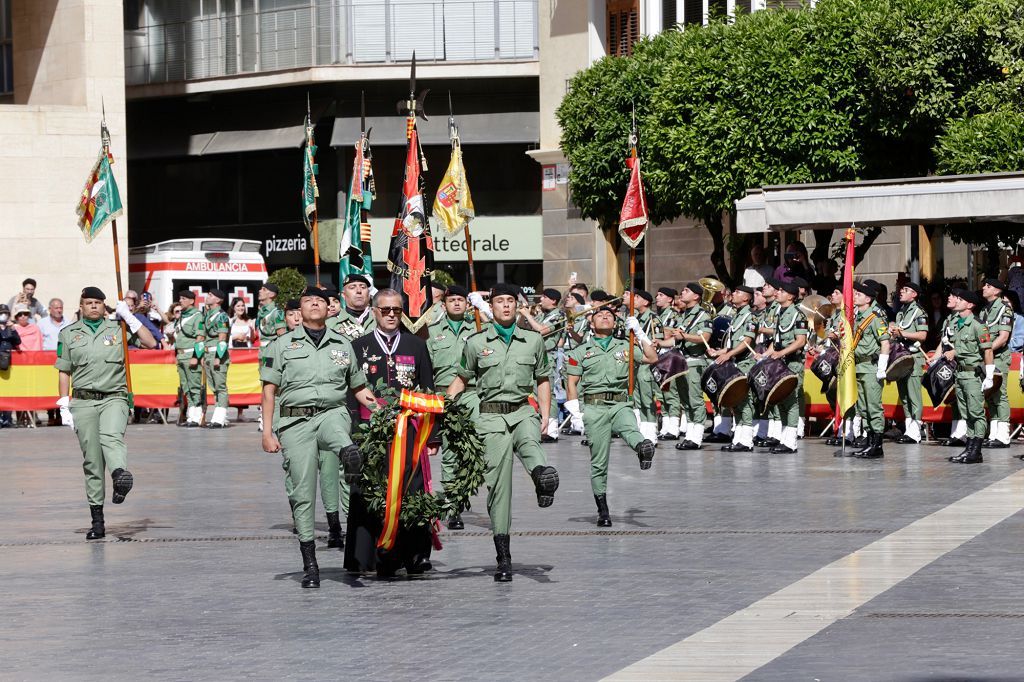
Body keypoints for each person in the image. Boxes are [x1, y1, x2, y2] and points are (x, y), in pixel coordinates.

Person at [260, 287, 377, 588]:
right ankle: (310, 563)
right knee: (302, 490)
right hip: (295, 421)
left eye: (321, 301)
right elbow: (269, 390)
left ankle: (350, 455)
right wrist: (267, 432)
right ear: (299, 311)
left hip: (331, 411)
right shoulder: (281, 345)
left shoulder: (342, 344)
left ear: (329, 309)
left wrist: (384, 411)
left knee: (341, 434)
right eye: (308, 301)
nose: (315, 303)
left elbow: (359, 388)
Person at [446, 282, 559, 582]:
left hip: (522, 410)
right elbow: (461, 379)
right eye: (500, 301)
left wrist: (546, 414)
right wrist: (443, 409)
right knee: (498, 487)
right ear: (491, 307)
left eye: (511, 301)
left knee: (532, 444)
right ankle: (503, 555)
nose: (506, 306)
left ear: (517, 306)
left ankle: (541, 478)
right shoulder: (475, 342)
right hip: (490, 417)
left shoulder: (533, 341)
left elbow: (543, 378)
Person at [345, 289, 439, 578]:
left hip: (409, 429)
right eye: (384, 309)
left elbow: (428, 388)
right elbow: (350, 391)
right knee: (370, 490)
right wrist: (352, 433)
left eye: (396, 310)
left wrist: (433, 436)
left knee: (412, 489)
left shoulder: (416, 344)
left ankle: (415, 555)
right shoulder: (358, 346)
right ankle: (367, 556)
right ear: (374, 311)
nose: (390, 314)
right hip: (369, 431)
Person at [55, 287, 157, 540]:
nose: (93, 306)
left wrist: (130, 317)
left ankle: (120, 475)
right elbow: (64, 370)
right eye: (88, 303)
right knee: (92, 461)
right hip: (84, 402)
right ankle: (97, 520)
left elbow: (151, 342)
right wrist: (64, 403)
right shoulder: (68, 334)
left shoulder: (118, 329)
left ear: (104, 306)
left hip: (114, 397)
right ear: (81, 306)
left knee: (111, 437)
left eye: (98, 302)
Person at [564, 305, 657, 526]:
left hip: (620, 403)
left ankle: (643, 449)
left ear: (616, 324)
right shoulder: (580, 351)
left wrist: (640, 332)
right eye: (600, 315)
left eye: (610, 316)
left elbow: (651, 358)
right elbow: (571, 382)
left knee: (630, 429)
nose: (605, 317)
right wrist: (575, 412)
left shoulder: (626, 345)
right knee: (599, 462)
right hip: (594, 407)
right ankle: (602, 509)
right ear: (591, 323)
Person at [425, 285, 479, 530]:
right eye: (452, 300)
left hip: (473, 393)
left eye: (461, 300)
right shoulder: (433, 332)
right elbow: (426, 368)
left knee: (477, 449)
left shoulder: (479, 328)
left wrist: (485, 309)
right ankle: (453, 506)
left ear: (467, 304)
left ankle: (466, 495)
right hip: (444, 394)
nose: (457, 304)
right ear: (443, 304)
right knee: (449, 452)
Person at [941, 288, 994, 464]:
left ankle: (976, 450)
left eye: (960, 299)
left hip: (972, 375)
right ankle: (969, 448)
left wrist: (989, 376)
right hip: (960, 374)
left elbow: (987, 351)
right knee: (966, 413)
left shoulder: (978, 325)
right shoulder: (957, 323)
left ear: (970, 304)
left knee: (976, 412)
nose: (957, 301)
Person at [759, 280, 807, 453]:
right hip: (780, 363)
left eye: (781, 290)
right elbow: (777, 340)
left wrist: (782, 353)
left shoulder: (798, 315)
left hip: (792, 362)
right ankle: (784, 437)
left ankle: (791, 441)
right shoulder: (780, 313)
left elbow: (801, 341)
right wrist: (765, 355)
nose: (777, 292)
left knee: (791, 401)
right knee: (780, 400)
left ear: (791, 296)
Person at [710, 286, 758, 451]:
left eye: (738, 292)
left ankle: (746, 441)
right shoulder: (737, 316)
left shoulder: (750, 317)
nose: (734, 294)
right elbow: (732, 344)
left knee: (745, 401)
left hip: (745, 363)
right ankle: (738, 438)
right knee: (736, 401)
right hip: (736, 362)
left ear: (746, 298)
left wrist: (729, 355)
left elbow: (746, 342)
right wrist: (719, 352)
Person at [848, 282, 891, 459]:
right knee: (863, 407)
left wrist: (882, 366)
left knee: (873, 406)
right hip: (858, 367)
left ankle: (877, 445)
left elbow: (885, 342)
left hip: (871, 367)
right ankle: (869, 440)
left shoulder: (875, 318)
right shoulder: (858, 317)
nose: (855, 296)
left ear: (868, 298)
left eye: (859, 294)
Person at [517, 288, 565, 442]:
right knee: (535, 392)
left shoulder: (559, 315)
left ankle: (551, 430)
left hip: (548, 356)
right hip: (534, 355)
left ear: (553, 300)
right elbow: (524, 329)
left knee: (547, 393)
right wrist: (523, 316)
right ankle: (540, 426)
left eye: (544, 297)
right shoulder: (542, 314)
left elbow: (542, 330)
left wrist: (527, 315)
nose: (541, 299)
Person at [671, 282, 713, 450]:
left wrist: (684, 336)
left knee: (695, 399)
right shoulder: (684, 315)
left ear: (696, 296)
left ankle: (696, 437)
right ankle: (689, 433)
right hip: (682, 361)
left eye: (686, 291)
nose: (682, 292)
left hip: (695, 361)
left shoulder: (703, 315)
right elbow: (676, 338)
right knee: (685, 400)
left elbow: (705, 337)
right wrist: (659, 342)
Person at [889, 282, 929, 444]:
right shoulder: (901, 313)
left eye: (906, 290)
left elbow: (922, 335)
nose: (901, 292)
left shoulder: (919, 312)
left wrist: (902, 333)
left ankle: (916, 431)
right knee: (904, 395)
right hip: (901, 357)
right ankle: (909, 429)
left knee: (914, 396)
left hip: (914, 358)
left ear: (914, 294)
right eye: (902, 289)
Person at [978, 278, 1012, 448]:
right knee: (990, 394)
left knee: (1000, 394)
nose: (984, 288)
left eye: (988, 286)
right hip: (988, 356)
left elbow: (1003, 337)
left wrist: (988, 349)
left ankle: (1004, 435)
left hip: (999, 356)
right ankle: (994, 433)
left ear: (997, 291)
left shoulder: (1004, 309)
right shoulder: (984, 310)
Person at [624, 289, 661, 442]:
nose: (634, 299)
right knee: (637, 398)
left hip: (647, 361)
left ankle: (651, 432)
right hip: (636, 361)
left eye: (637, 297)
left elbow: (656, 342)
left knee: (647, 398)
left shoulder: (653, 319)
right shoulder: (634, 318)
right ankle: (642, 430)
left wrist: (638, 341)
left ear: (646, 302)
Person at [173, 290, 206, 427]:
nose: (180, 300)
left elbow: (200, 338)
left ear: (192, 301)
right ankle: (191, 415)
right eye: (180, 298)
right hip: (181, 355)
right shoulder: (182, 316)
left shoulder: (197, 316)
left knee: (194, 386)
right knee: (186, 386)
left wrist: (196, 357)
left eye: (184, 298)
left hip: (190, 354)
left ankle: (197, 415)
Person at [653, 287, 682, 441]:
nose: (657, 297)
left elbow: (668, 334)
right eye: (657, 295)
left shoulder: (673, 315)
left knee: (671, 393)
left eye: (661, 295)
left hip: (670, 355)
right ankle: (665, 425)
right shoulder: (659, 315)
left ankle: (674, 427)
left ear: (670, 299)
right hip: (659, 356)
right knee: (662, 394)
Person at [200, 289, 231, 428]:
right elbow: (202, 337)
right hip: (207, 354)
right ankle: (218, 415)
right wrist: (200, 355)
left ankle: (220, 417)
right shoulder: (207, 315)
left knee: (220, 387)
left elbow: (222, 339)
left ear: (218, 300)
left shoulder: (221, 316)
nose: (207, 297)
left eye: (211, 295)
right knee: (214, 387)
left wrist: (219, 357)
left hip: (217, 354)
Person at [329, 273, 378, 341]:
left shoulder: (380, 317)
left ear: (369, 293)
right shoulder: (331, 323)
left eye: (363, 287)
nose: (358, 291)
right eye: (352, 287)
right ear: (343, 295)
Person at [0, 305, 21, 428]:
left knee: (8, 391)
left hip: (8, 364)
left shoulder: (10, 328)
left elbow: (18, 341)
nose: (3, 315)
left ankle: (7, 418)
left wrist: (12, 329)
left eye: (5, 313)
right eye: (1, 313)